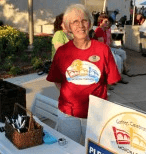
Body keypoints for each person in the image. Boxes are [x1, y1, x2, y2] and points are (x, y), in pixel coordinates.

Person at [46, 4, 121, 145]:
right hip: (68, 114)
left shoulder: (103, 49)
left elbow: (110, 80)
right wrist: (71, 96)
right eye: (75, 21)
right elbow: (57, 80)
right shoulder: (62, 52)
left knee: (92, 153)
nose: (80, 25)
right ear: (68, 27)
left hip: (95, 114)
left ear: (90, 23)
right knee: (69, 150)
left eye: (84, 20)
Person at [94, 14, 129, 84]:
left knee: (120, 56)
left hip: (107, 49)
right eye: (105, 22)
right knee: (117, 59)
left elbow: (108, 42)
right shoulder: (99, 30)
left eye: (108, 22)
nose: (108, 24)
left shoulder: (104, 30)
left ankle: (119, 75)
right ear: (100, 22)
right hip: (102, 51)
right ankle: (116, 78)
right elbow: (102, 46)